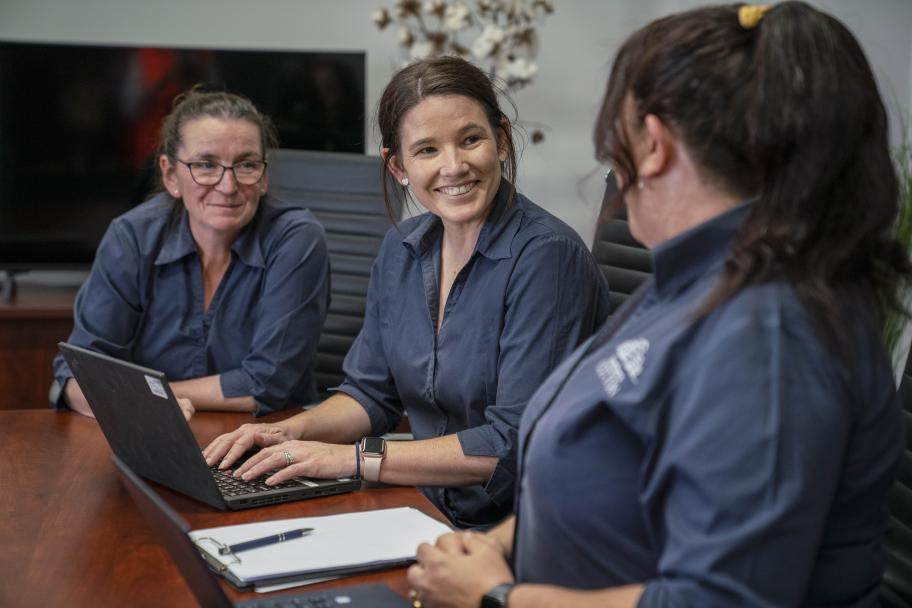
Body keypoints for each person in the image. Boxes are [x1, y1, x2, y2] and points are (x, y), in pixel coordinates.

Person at [406, 3, 911, 606]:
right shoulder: (696, 274)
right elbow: (600, 469)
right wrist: (500, 547)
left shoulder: (769, 332)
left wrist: (495, 597)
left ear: (653, 144)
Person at [202, 56, 611, 528]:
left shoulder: (547, 257)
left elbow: (514, 441)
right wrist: (286, 432)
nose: (453, 166)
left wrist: (355, 459)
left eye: (470, 139)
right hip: (421, 508)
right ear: (398, 166)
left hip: (519, 530)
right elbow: (370, 393)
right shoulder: (402, 247)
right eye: (427, 150)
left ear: (500, 140)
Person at [52, 89, 330, 419]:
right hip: (154, 436)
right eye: (206, 164)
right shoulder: (132, 237)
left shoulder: (296, 239)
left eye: (247, 164)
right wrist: (118, 397)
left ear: (265, 176)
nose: (228, 186)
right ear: (170, 175)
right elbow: (78, 371)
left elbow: (267, 382)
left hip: (270, 438)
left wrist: (146, 397)